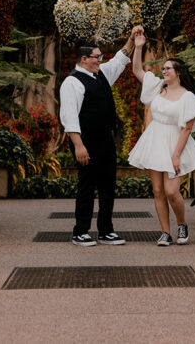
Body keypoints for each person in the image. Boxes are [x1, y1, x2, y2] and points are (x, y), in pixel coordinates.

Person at [59, 26, 143, 247]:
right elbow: (69, 117)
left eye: (100, 57)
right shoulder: (72, 82)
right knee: (87, 185)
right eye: (97, 57)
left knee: (108, 185)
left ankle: (106, 230)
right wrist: (79, 146)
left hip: (105, 140)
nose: (100, 60)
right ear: (84, 59)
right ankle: (80, 231)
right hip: (85, 142)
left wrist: (132, 38)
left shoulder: (101, 73)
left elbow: (120, 59)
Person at [126, 31, 195, 246]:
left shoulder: (187, 96)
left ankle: (182, 225)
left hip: (175, 142)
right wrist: (138, 46)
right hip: (155, 140)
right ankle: (165, 232)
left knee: (172, 191)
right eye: (163, 68)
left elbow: (186, 129)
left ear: (178, 72)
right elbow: (137, 70)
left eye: (168, 68)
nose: (164, 71)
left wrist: (176, 155)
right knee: (157, 190)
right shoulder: (157, 87)